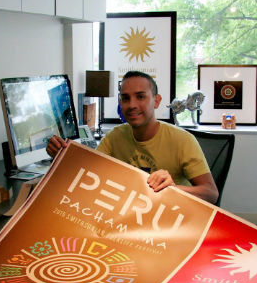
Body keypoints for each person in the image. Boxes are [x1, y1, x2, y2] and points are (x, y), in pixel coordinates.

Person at [46, 70, 219, 205]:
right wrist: (61, 156)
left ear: (156, 101)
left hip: (168, 220)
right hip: (127, 215)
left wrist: (173, 189)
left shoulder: (183, 140)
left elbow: (211, 193)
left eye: (141, 96)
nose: (132, 105)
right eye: (125, 98)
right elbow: (90, 174)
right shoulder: (114, 137)